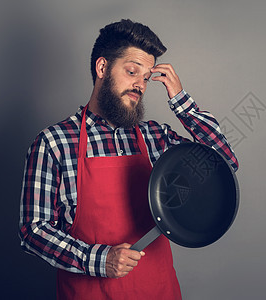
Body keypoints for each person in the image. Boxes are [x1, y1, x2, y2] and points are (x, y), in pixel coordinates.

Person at [19, 19, 238, 299]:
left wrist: (181, 101)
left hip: (159, 290)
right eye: (132, 71)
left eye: (146, 78)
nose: (140, 85)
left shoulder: (155, 138)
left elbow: (224, 163)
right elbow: (32, 231)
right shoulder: (54, 143)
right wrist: (97, 259)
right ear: (102, 68)